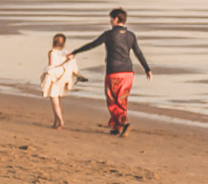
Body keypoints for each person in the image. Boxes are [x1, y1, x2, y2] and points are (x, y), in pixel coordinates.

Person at [67, 8, 152, 136]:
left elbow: (93, 44)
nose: (110, 21)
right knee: (122, 99)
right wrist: (147, 69)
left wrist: (75, 52)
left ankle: (124, 122)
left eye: (111, 19)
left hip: (114, 71)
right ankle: (117, 127)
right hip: (128, 72)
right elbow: (138, 53)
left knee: (112, 99)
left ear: (116, 19)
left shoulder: (109, 34)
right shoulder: (131, 35)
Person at [40, 33, 79, 129]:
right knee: (57, 100)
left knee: (54, 100)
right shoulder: (66, 52)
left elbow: (52, 66)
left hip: (54, 78)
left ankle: (60, 120)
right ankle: (56, 121)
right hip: (63, 77)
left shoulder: (52, 52)